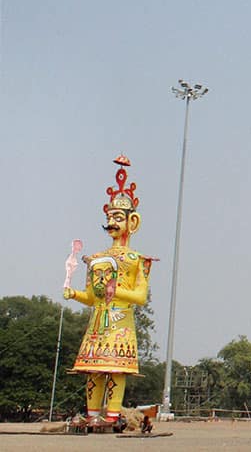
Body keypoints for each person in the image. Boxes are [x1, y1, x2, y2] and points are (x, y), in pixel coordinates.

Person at [63, 155, 154, 429]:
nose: (112, 222)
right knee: (93, 371)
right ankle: (92, 416)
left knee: (115, 370)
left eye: (118, 217)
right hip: (97, 325)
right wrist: (74, 294)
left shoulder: (138, 260)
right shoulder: (97, 258)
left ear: (132, 222)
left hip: (120, 324)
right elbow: (93, 297)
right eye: (109, 217)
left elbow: (139, 297)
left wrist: (117, 291)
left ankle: (112, 416)